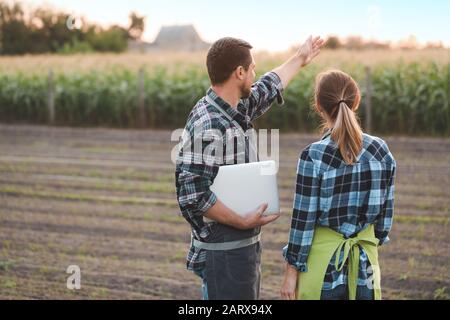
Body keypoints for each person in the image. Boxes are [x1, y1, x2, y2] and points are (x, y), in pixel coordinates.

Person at [175, 36, 325, 300]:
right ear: (239, 72)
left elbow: (268, 86)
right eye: (252, 68)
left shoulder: (232, 108)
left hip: (238, 250)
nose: (255, 74)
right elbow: (192, 194)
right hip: (225, 253)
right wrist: (241, 220)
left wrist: (301, 58)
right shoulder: (209, 124)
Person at [280, 69, 396, 300]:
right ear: (356, 101)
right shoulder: (381, 151)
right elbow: (383, 225)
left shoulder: (314, 156)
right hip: (366, 268)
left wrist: (291, 273)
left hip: (323, 271)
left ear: (318, 105)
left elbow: (303, 222)